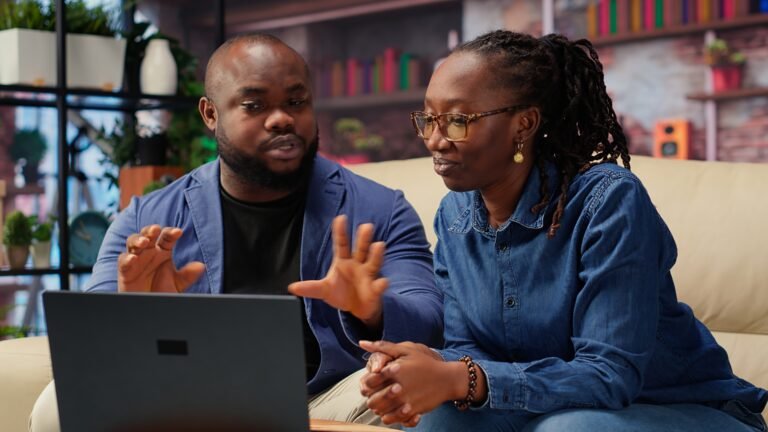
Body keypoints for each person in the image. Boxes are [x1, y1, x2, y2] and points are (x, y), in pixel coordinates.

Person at [29, 33, 443, 431]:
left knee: (394, 390)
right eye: (254, 105)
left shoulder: (380, 210)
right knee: (55, 406)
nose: (282, 118)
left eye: (296, 101)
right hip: (185, 401)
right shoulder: (147, 220)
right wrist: (134, 312)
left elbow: (429, 319)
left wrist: (371, 311)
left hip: (323, 404)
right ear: (211, 114)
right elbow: (87, 350)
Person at [358, 30, 768, 431]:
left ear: (524, 124)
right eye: (428, 119)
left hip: (678, 407)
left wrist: (462, 379)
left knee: (570, 428)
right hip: (546, 410)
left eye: (458, 121)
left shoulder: (607, 201)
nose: (435, 139)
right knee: (441, 417)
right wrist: (418, 365)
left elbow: (610, 375)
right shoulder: (454, 217)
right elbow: (469, 354)